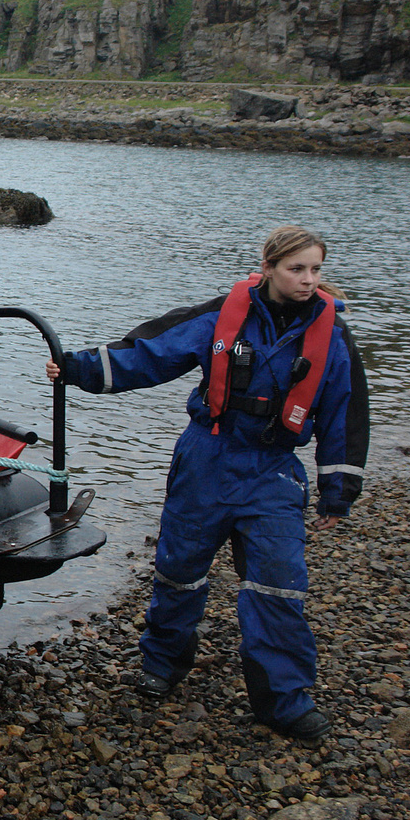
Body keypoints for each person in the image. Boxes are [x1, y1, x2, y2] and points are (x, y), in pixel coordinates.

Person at [47, 226, 369, 745]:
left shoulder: (332, 334)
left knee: (278, 584)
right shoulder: (222, 315)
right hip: (206, 460)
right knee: (179, 571)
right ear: (268, 267)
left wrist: (338, 490)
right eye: (297, 269)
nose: (309, 280)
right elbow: (150, 351)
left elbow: (346, 413)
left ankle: (283, 700)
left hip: (272, 471)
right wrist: (75, 368)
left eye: (315, 270)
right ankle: (163, 664)